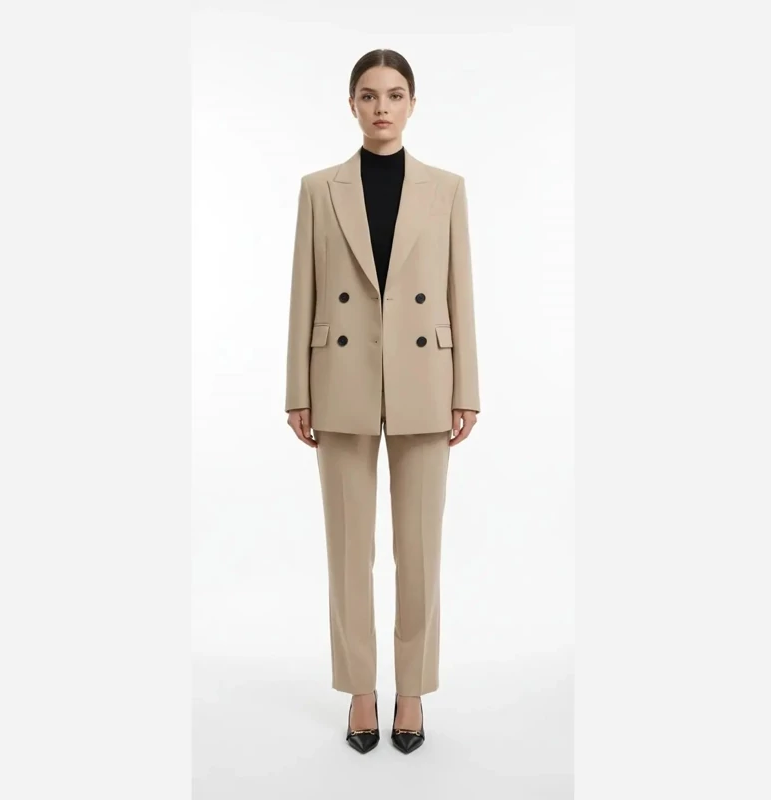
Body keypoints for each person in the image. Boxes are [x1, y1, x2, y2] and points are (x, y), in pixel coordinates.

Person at [284, 48, 480, 754]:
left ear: (413, 103)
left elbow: (459, 290)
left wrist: (467, 388)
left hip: (427, 379)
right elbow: (303, 291)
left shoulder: (446, 188)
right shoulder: (318, 189)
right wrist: (297, 389)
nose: (382, 107)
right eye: (368, 95)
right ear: (351, 104)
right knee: (348, 549)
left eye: (395, 95)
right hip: (340, 379)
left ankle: (413, 690)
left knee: (419, 551)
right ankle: (361, 690)